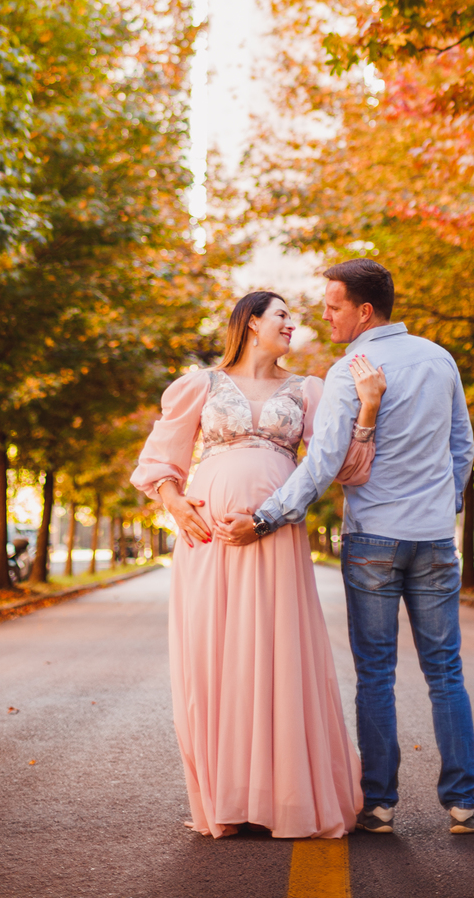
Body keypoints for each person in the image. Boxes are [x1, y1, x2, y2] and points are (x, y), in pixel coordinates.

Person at [217, 258, 474, 836]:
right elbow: (462, 446)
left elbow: (325, 461)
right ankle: (463, 804)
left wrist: (266, 517)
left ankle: (381, 806)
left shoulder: (349, 371)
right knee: (446, 671)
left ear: (364, 311)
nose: (326, 315)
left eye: (333, 306)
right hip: (434, 538)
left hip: (375, 541)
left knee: (376, 675)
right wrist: (445, 506)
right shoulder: (440, 359)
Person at [132, 288, 387, 839]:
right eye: (282, 316)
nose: (293, 324)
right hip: (206, 542)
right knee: (214, 659)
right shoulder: (200, 384)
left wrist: (367, 408)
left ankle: (284, 799)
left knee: (276, 657)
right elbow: (159, 460)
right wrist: (175, 504)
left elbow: (346, 466)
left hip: (275, 538)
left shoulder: (308, 390)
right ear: (250, 323)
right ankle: (228, 799)